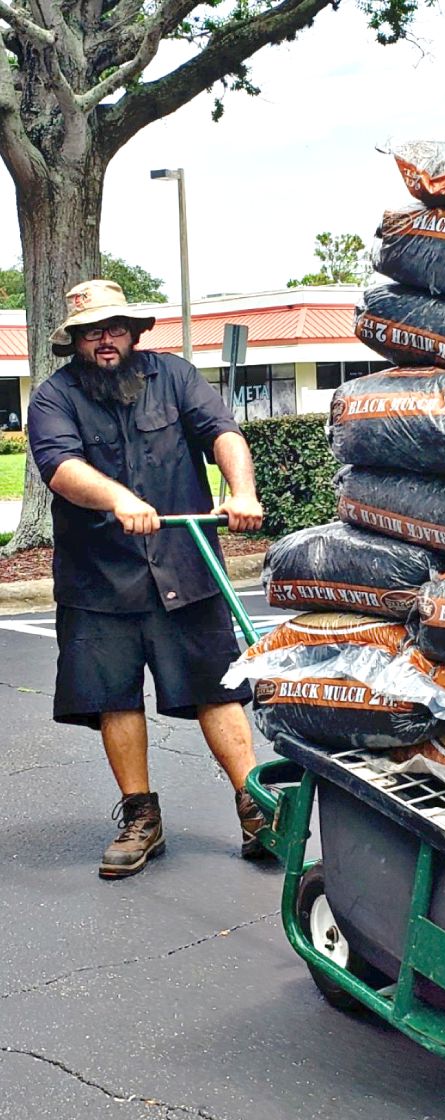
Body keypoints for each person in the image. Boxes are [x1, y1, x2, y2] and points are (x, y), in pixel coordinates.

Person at [27, 279, 268, 879]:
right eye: (91, 333)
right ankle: (141, 817)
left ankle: (257, 808)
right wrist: (118, 498)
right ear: (75, 342)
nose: (104, 341)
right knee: (115, 697)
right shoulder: (54, 396)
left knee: (218, 687)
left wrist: (241, 491)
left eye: (113, 329)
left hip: (185, 564)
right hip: (98, 578)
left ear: (134, 332)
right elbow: (61, 468)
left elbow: (223, 433)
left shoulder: (177, 377)